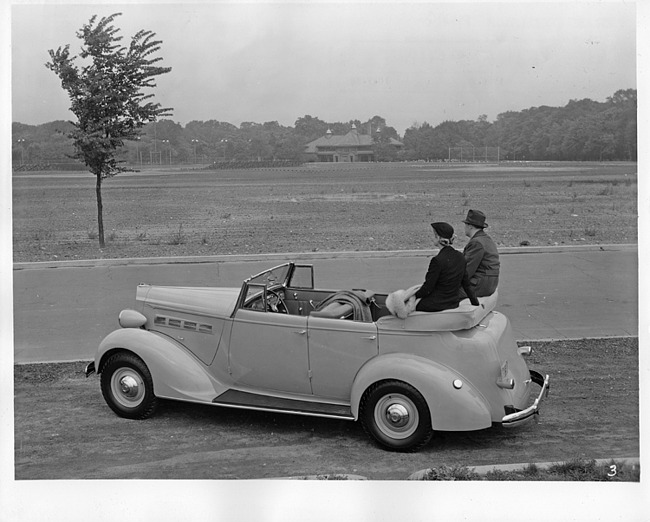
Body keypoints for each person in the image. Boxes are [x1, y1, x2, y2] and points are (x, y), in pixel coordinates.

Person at [414, 222, 479, 312]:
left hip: (436, 304)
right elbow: (466, 284)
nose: (432, 238)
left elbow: (427, 289)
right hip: (453, 303)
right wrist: (475, 303)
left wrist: (412, 296)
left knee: (412, 304)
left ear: (439, 238)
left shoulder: (437, 261)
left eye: (434, 235)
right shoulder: (460, 256)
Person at [459, 209, 500, 298]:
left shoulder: (476, 243)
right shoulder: (486, 239)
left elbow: (466, 271)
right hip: (489, 283)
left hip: (479, 285)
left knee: (442, 293)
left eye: (465, 224)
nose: (464, 227)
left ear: (470, 226)